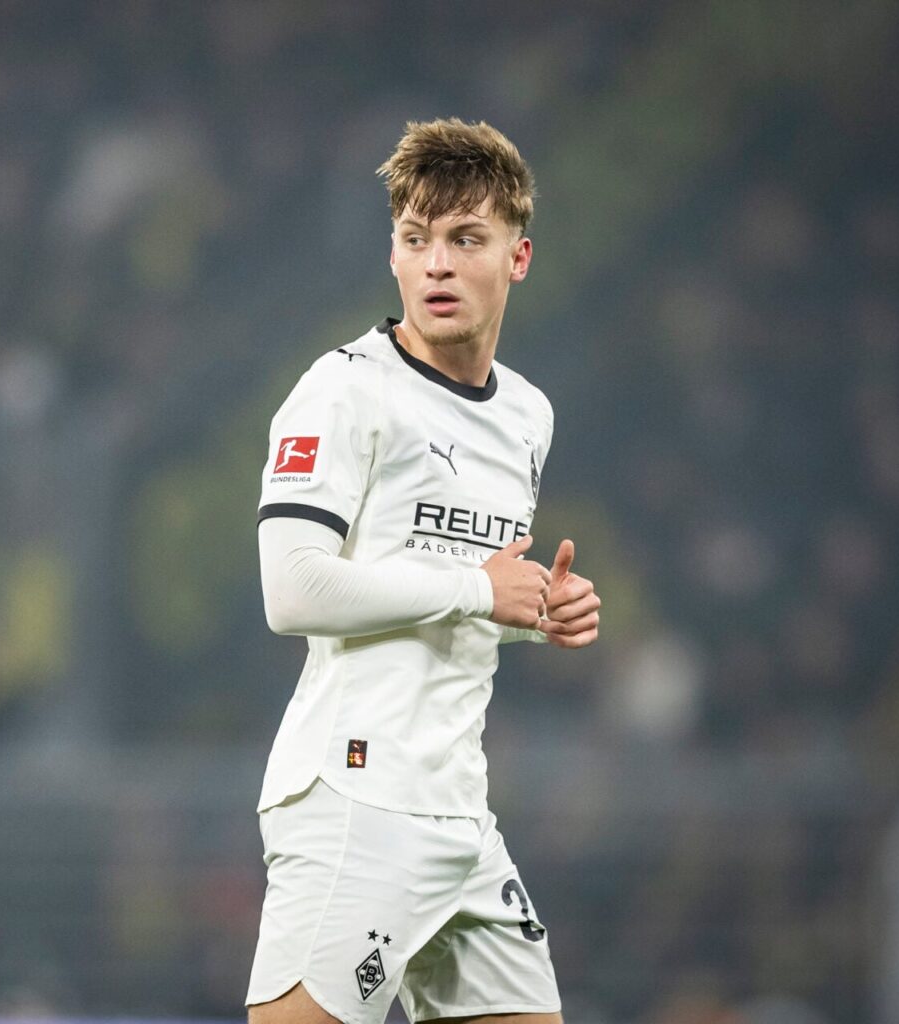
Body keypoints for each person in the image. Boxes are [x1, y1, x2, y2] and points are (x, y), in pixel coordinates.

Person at [246, 118, 601, 1024]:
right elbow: (292, 590)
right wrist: (481, 588)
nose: (437, 263)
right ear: (394, 259)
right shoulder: (343, 390)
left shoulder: (528, 415)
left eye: (465, 239)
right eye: (416, 240)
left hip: (459, 814)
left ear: (517, 258)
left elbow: (448, 601)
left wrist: (532, 610)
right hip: (355, 801)